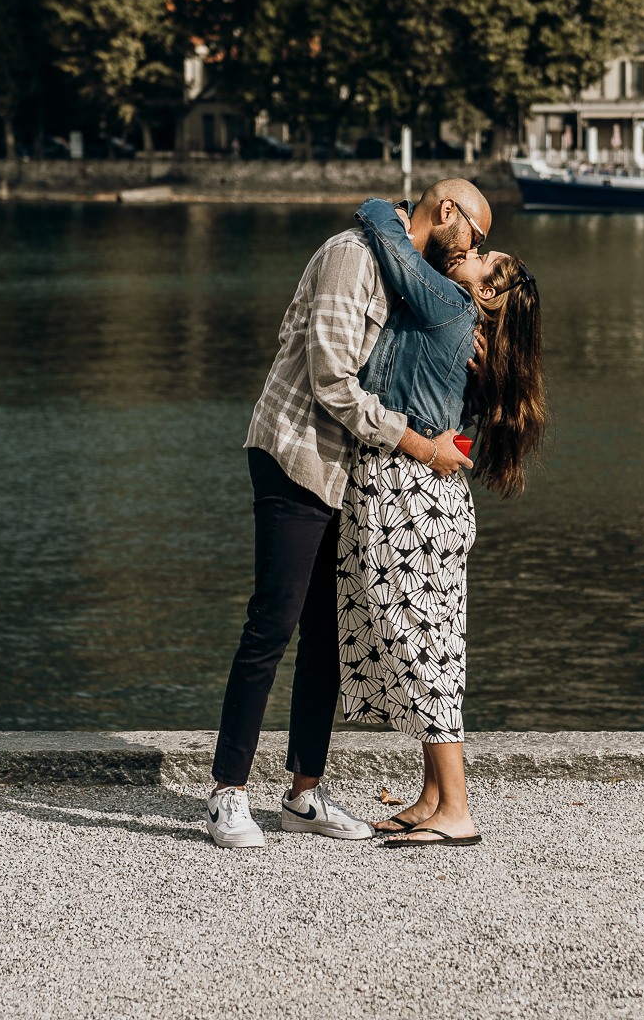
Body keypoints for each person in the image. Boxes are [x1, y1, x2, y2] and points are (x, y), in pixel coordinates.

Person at [206, 179, 492, 847]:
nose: (477, 247)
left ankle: (303, 793)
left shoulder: (407, 270)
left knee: (326, 634)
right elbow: (330, 380)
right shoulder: (351, 257)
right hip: (297, 451)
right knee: (272, 622)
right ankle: (227, 793)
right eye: (475, 235)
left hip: (349, 470)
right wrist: (420, 443)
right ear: (446, 212)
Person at [338, 197, 545, 848]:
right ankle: (433, 796)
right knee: (436, 643)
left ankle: (455, 808)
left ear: (487, 298)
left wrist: (388, 207)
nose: (471, 252)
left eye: (484, 258)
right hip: (428, 498)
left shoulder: (449, 305)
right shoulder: (462, 324)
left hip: (411, 498)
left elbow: (392, 247)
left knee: (421, 646)